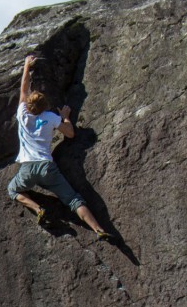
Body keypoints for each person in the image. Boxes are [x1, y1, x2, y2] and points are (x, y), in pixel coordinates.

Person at [8, 54, 114, 239]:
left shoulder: (22, 114)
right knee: (73, 199)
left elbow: (23, 88)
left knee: (12, 189)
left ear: (29, 104)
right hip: (47, 166)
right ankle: (99, 229)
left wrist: (26, 66)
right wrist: (65, 115)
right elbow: (70, 133)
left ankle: (38, 209)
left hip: (27, 168)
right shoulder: (50, 117)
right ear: (44, 105)